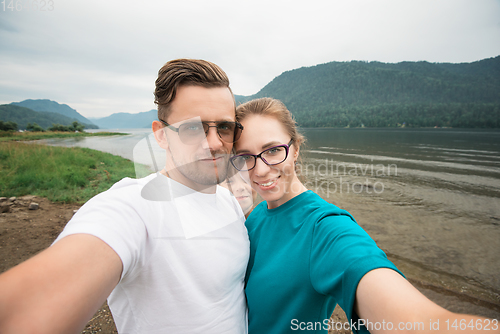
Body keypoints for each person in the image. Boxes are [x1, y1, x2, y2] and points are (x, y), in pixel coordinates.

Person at [0, 59, 250, 334]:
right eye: (193, 128)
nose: (214, 143)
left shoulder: (229, 203)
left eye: (224, 128)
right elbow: (24, 312)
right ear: (161, 135)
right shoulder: (132, 208)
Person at [231, 97, 500, 334]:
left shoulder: (324, 228)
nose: (261, 170)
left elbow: (418, 323)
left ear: (296, 148)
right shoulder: (256, 216)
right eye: (246, 157)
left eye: (273, 150)